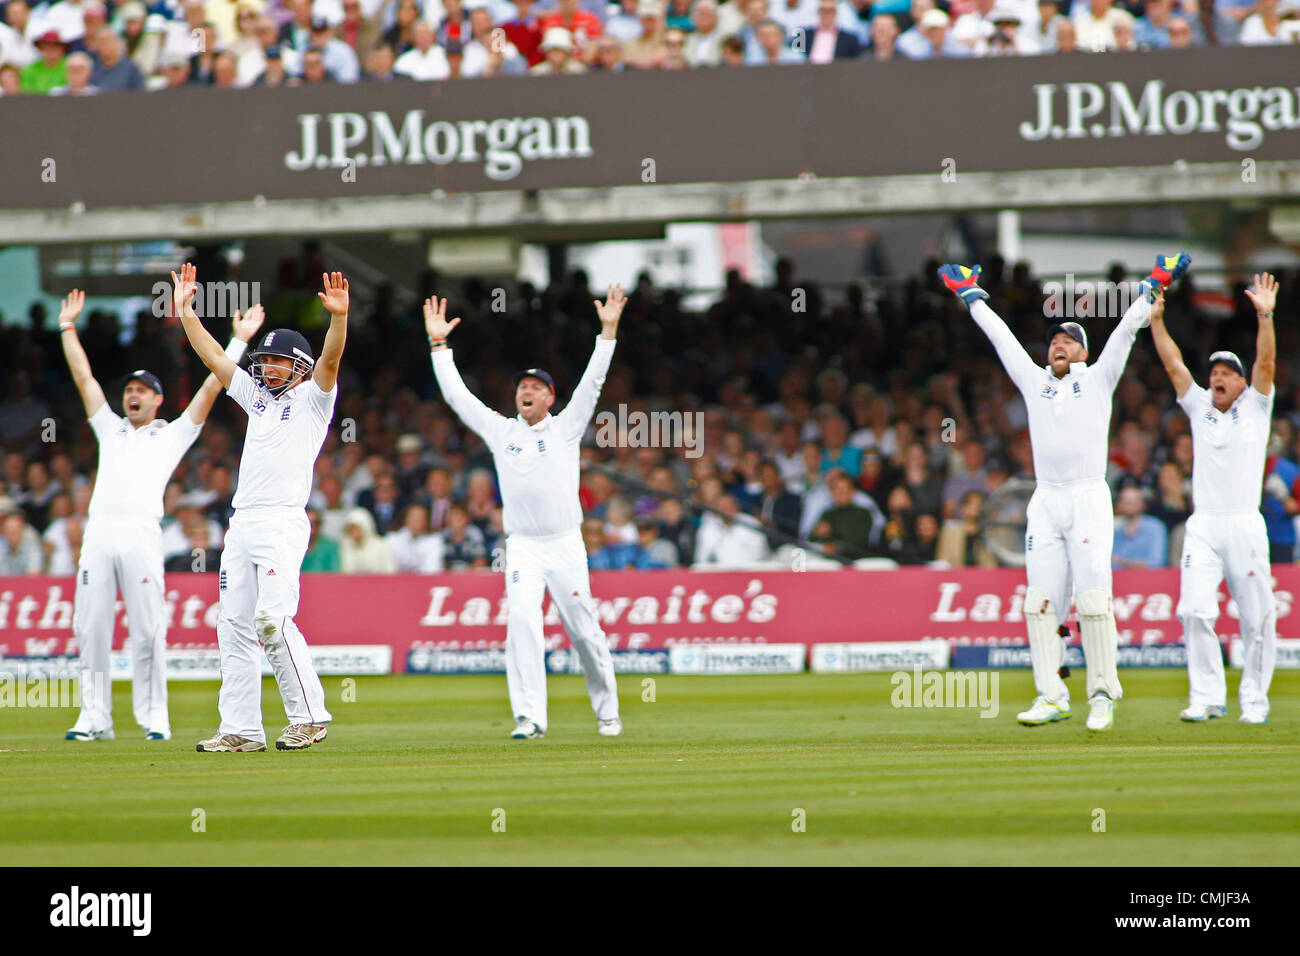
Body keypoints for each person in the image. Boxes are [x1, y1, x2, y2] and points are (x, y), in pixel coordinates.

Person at [939, 252, 1189, 731]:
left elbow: (1128, 328)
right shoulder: (1034, 383)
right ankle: (1050, 694)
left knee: (1093, 602)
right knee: (1041, 603)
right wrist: (970, 296)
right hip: (1046, 500)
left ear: (1083, 353)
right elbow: (1003, 341)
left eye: (1070, 341)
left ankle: (1101, 695)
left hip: (1089, 498)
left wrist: (1158, 280)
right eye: (1054, 339)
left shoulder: (1098, 379)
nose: (1059, 344)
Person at [59, 284, 261, 743]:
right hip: (99, 534)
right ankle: (94, 718)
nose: (133, 396)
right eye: (129, 389)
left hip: (142, 535)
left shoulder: (172, 435)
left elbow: (213, 384)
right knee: (89, 627)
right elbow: (85, 379)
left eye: (142, 391)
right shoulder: (110, 429)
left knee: (148, 631)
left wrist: (240, 340)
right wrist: (68, 327)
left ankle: (155, 719)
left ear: (157, 400)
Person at [425, 286, 626, 739]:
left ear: (550, 397)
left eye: (535, 387)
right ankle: (530, 716)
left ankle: (607, 710)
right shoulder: (501, 431)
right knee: (521, 619)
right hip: (524, 547)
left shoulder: (568, 427)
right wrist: (440, 347)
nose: (526, 392)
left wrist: (608, 332)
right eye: (522, 387)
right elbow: (459, 399)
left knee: (584, 631)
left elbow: (593, 382)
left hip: (566, 543)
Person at [177, 264, 350, 753]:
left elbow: (332, 362)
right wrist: (188, 311)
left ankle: (310, 717)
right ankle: (241, 729)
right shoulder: (257, 399)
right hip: (242, 523)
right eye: (265, 360)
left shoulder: (315, 399)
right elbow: (213, 356)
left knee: (271, 621)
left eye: (278, 361)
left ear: (299, 366)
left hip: (281, 521)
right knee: (232, 625)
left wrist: (337, 319)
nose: (268, 367)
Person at [1148, 275, 1279, 725]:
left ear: (1242, 383)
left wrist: (1264, 314)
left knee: (1258, 618)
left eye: (1226, 373)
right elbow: (1173, 366)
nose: (1217, 377)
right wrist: (1157, 322)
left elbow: (1266, 361)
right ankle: (1207, 697)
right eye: (1214, 372)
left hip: (1244, 523)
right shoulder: (1200, 406)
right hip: (1203, 525)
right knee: (1194, 611)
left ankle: (1256, 702)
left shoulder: (1258, 405)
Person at [1111, 484, 1167, 569]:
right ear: (1119, 504)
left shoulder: (1155, 527)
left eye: (1133, 501)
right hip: (1118, 580)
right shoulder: (1114, 529)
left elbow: (1156, 563)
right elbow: (1110, 563)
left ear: (1142, 504)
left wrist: (1123, 562)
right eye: (1125, 500)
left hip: (1149, 580)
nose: (1129, 504)